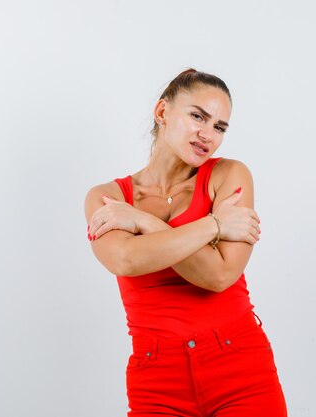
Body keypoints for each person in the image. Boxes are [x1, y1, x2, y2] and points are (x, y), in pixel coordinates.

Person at [84, 68, 287, 417]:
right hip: (158, 379)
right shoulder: (108, 197)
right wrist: (216, 226)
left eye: (219, 127)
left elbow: (220, 275)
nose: (207, 134)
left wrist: (143, 222)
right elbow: (125, 260)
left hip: (240, 368)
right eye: (198, 116)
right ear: (162, 112)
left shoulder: (228, 175)